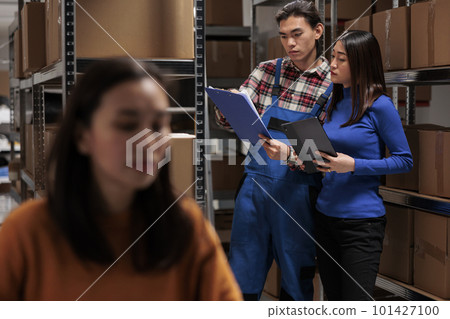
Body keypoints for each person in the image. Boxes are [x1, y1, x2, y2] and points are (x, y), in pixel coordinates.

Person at [0, 59, 242, 301]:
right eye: (127, 125)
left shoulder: (185, 228)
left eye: (158, 124)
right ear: (82, 135)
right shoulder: (26, 234)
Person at [215, 0, 331, 300]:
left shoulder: (332, 85)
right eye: (283, 36)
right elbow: (233, 119)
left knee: (296, 278)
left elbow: (323, 157)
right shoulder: (267, 71)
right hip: (254, 187)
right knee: (241, 275)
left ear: (317, 31)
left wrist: (290, 155)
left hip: (298, 194)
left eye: (297, 34)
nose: (289, 43)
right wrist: (228, 106)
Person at [312, 30, 413, 301]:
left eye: (341, 59)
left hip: (361, 224)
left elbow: (404, 160)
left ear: (361, 63)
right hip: (324, 217)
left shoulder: (380, 106)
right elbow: (331, 154)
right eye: (333, 56)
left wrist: (354, 165)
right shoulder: (334, 100)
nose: (332, 64)